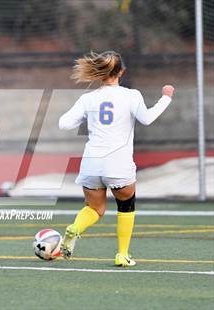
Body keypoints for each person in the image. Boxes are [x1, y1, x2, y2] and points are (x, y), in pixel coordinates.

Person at [58, 51, 174, 267]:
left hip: (92, 162)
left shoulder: (88, 99)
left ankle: (75, 228)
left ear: (99, 72)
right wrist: (166, 97)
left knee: (94, 209)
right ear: (121, 72)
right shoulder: (131, 96)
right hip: (118, 163)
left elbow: (63, 123)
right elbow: (147, 119)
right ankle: (122, 254)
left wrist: (88, 118)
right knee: (126, 206)